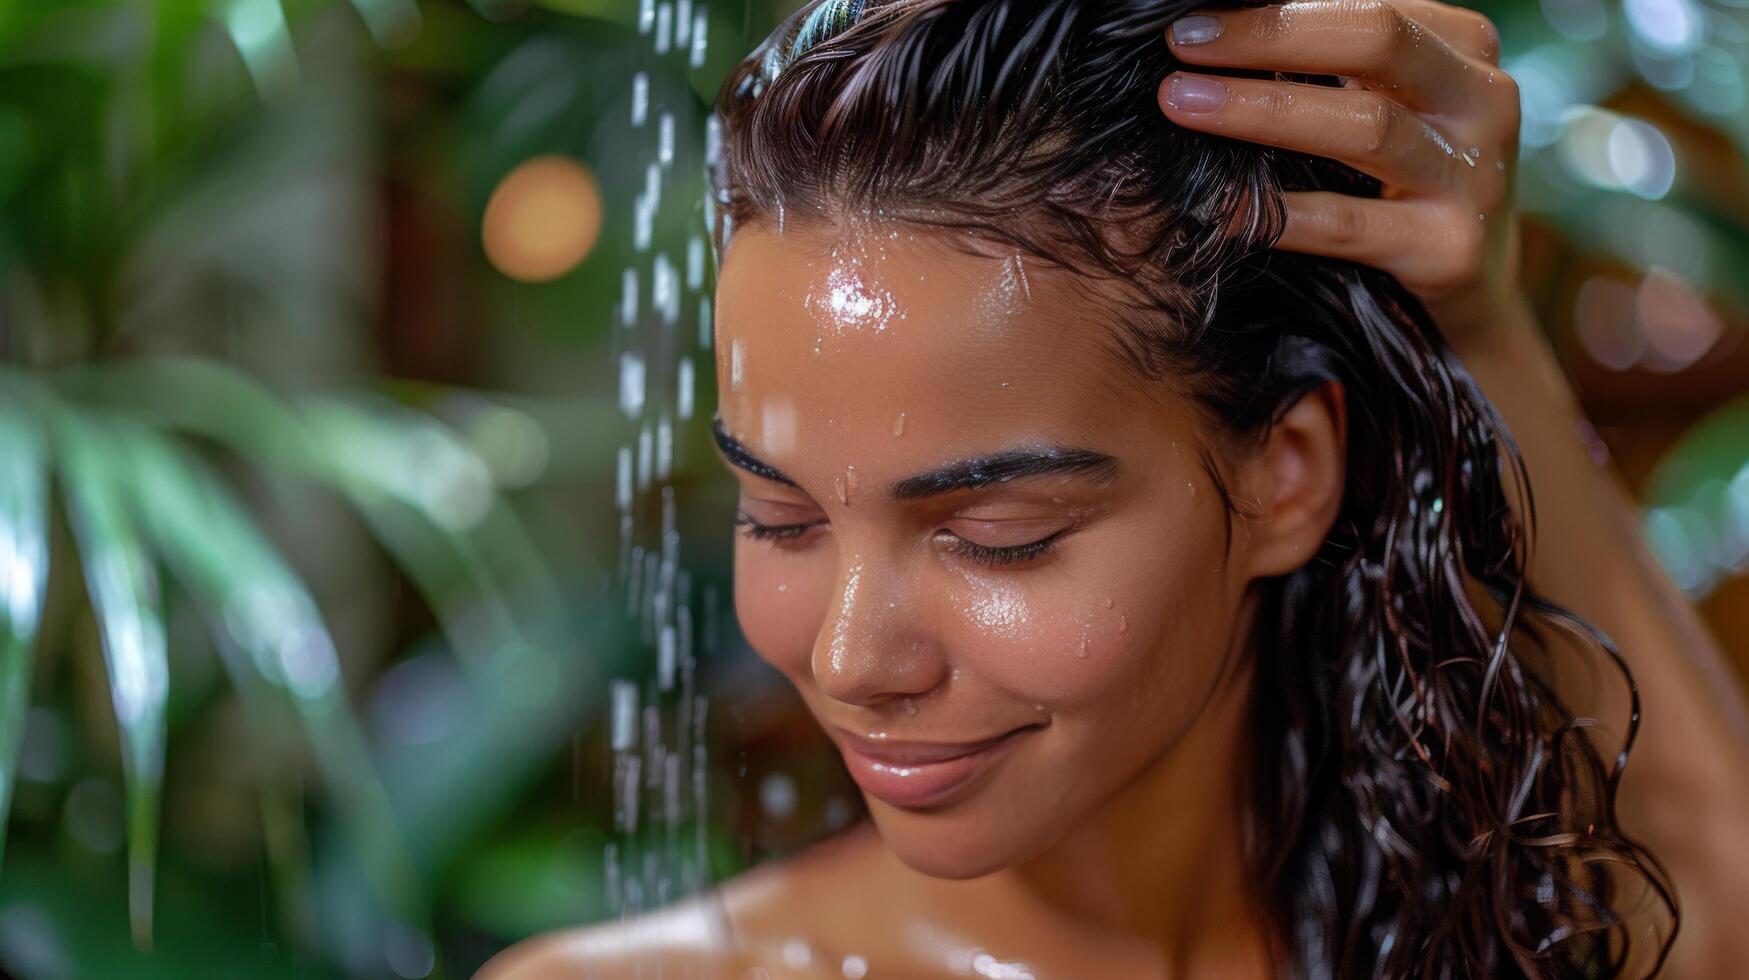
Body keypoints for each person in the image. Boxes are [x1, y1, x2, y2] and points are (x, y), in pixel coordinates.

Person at [482, 0, 1749, 976]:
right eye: (781, 514)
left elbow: (1723, 910)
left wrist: (1476, 325)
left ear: (1286, 477)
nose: (852, 655)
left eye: (999, 535)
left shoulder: (1482, 939)